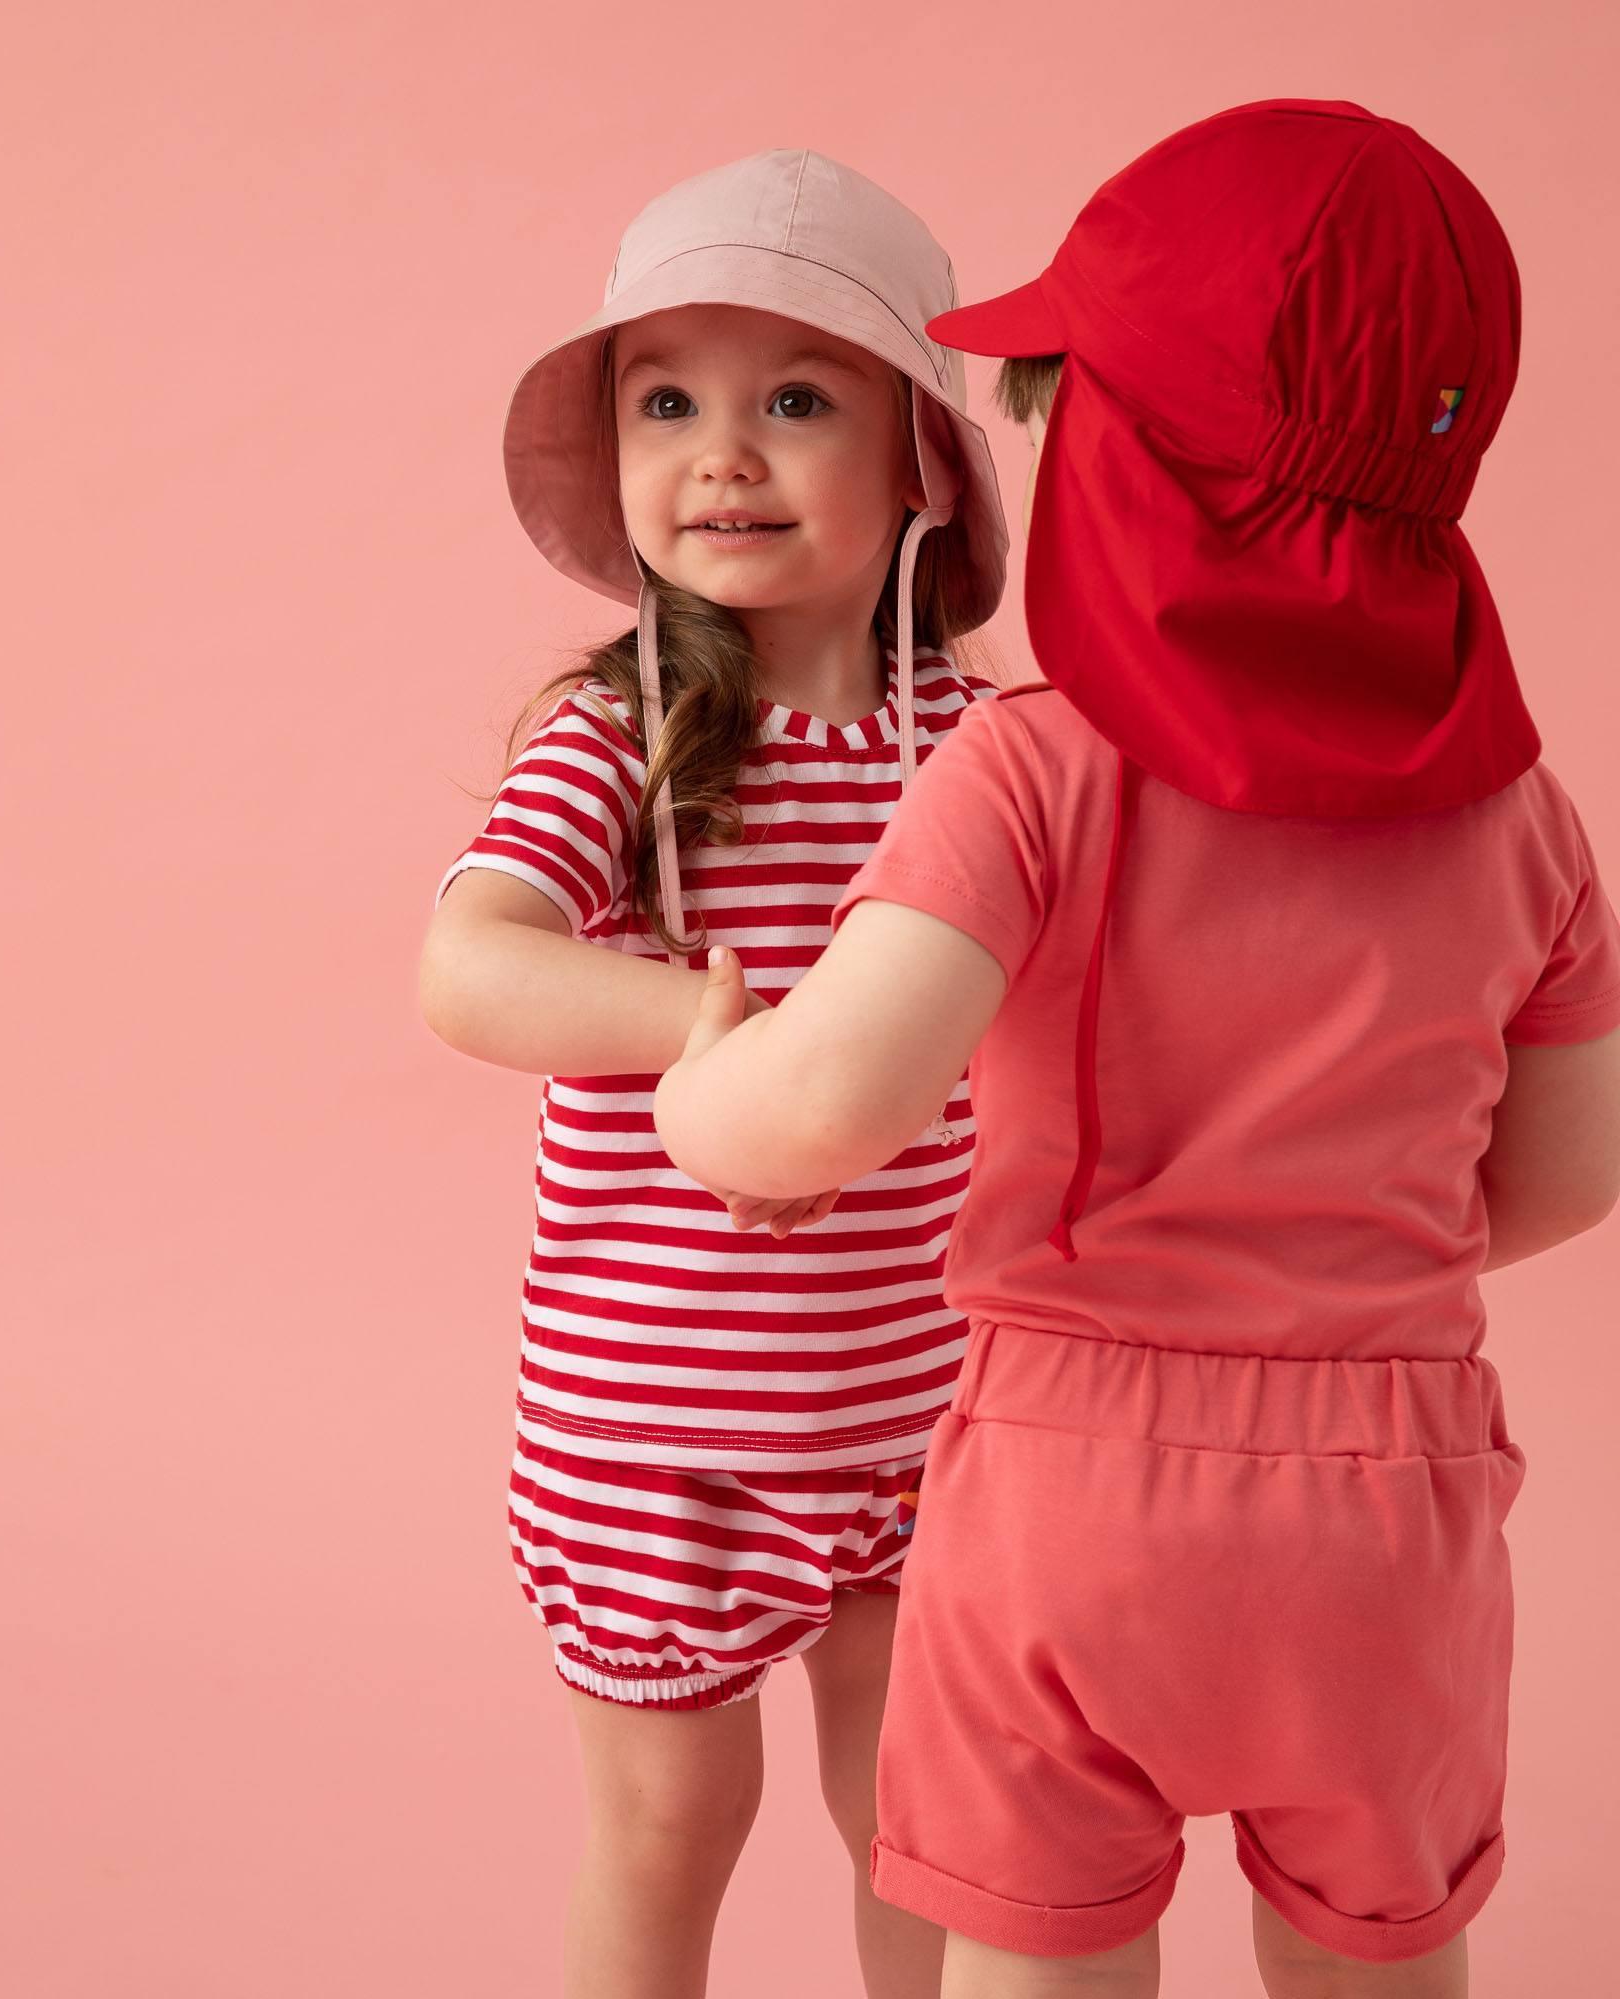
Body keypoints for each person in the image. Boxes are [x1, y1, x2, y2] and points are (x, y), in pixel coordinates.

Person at [652, 100, 1620, 1999]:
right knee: (1385, 1958)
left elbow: (826, 1107)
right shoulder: (1523, 819)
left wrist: (703, 1080)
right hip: (1389, 1497)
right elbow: (1572, 1171)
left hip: (1073, 1493)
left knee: (1035, 1957)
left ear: (1123, 455)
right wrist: (1344, 1254)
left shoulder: (1030, 769)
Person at [419, 150, 1011, 1997]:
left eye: (797, 399)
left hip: (921, 1404)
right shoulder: (629, 734)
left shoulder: (989, 749)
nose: (721, 451)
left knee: (926, 1819)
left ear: (922, 458)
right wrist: (708, 1035)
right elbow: (469, 962)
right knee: (673, 1829)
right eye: (665, 399)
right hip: (655, 1437)